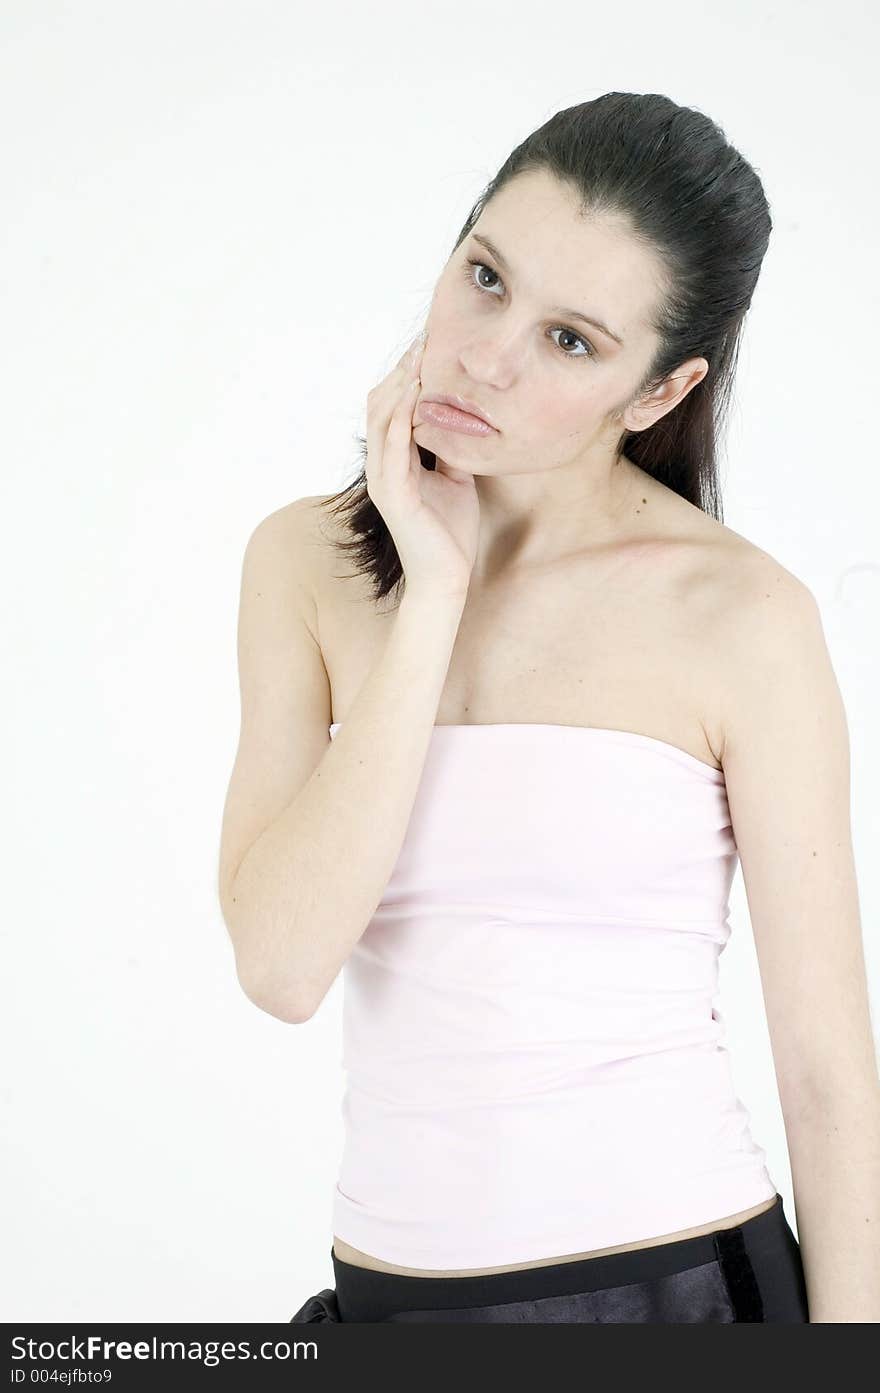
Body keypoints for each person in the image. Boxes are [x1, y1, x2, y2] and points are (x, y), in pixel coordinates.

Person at [219, 92, 879, 1323]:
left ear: (657, 391)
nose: (486, 354)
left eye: (570, 340)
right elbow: (281, 962)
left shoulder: (740, 617)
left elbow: (829, 1075)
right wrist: (432, 594)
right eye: (484, 278)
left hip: (672, 1292)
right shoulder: (301, 566)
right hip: (384, 1305)